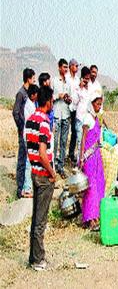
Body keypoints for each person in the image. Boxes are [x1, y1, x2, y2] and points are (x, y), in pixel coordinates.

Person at [25, 85, 56, 271]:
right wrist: (52, 173)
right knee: (41, 220)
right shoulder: (44, 122)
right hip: (44, 175)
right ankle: (38, 260)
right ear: (49, 101)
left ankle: (32, 256)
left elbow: (31, 149)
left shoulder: (30, 120)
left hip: (34, 172)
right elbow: (43, 154)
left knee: (35, 217)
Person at [79, 94, 106, 231]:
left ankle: (96, 215)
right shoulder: (87, 118)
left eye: (100, 104)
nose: (99, 106)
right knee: (91, 187)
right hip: (89, 157)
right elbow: (83, 139)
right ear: (92, 104)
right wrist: (81, 158)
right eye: (97, 104)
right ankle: (89, 218)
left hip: (97, 157)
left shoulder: (96, 118)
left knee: (99, 184)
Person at [13, 68, 36, 198]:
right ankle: (20, 189)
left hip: (27, 131)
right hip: (24, 131)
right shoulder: (21, 94)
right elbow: (16, 112)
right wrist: (22, 127)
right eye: (33, 78)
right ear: (28, 79)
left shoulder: (28, 93)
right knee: (22, 160)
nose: (34, 80)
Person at [52, 58, 71, 178]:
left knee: (64, 142)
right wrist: (59, 95)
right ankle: (53, 166)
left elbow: (69, 99)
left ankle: (61, 166)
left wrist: (68, 99)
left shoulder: (68, 82)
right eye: (64, 67)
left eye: (67, 67)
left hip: (66, 114)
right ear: (59, 68)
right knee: (54, 142)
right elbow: (50, 97)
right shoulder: (54, 81)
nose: (66, 69)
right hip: (56, 115)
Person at [22, 84, 39, 198]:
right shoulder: (30, 106)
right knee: (29, 162)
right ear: (33, 95)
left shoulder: (31, 104)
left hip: (30, 135)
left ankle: (28, 187)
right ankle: (27, 189)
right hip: (29, 136)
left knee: (30, 162)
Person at [72, 67, 91, 161]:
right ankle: (79, 163)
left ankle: (84, 162)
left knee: (87, 142)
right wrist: (80, 88)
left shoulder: (90, 88)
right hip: (80, 118)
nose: (87, 80)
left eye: (89, 78)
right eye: (86, 78)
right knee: (80, 142)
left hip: (87, 120)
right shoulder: (78, 87)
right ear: (82, 77)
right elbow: (74, 102)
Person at [67, 58, 80, 164]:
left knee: (75, 132)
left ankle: (71, 153)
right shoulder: (66, 78)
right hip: (67, 108)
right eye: (75, 65)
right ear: (71, 66)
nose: (77, 68)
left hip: (75, 108)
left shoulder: (77, 79)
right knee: (65, 131)